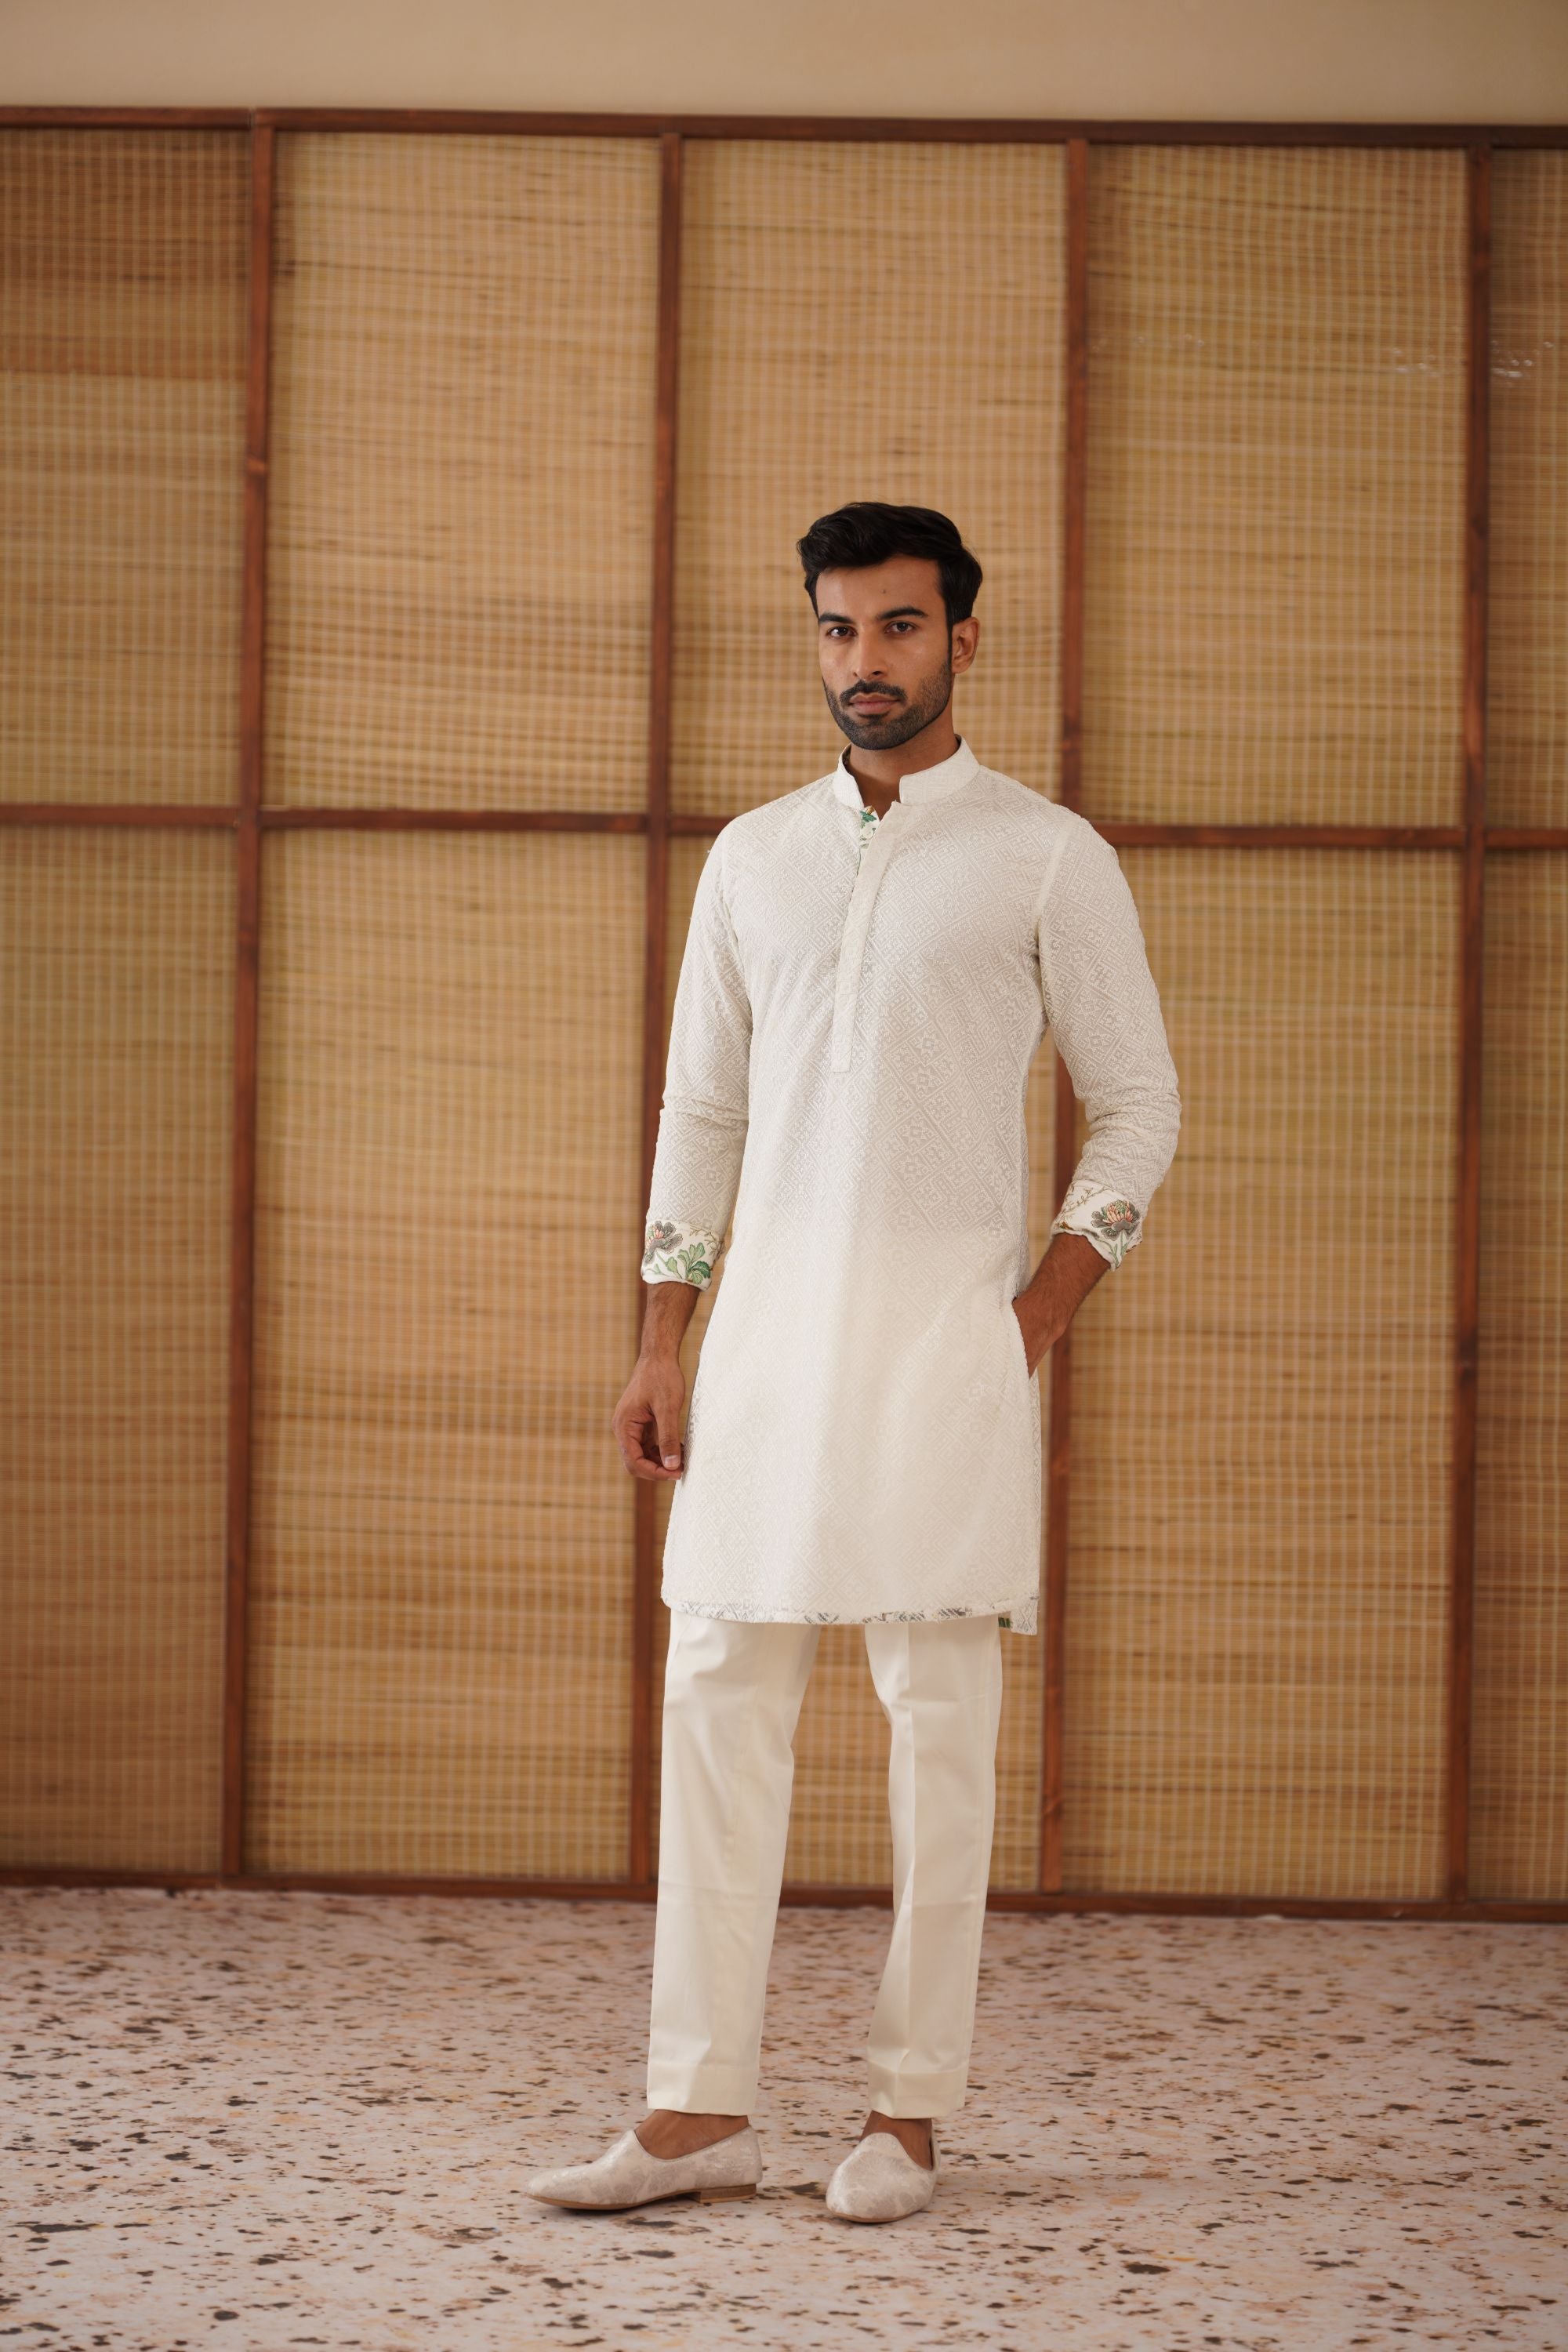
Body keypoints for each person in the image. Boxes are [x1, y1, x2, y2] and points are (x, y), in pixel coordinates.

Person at [528, 502, 1181, 2224]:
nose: (864, 661)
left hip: (943, 1357)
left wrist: (1033, 1317)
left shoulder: (1046, 856)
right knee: (715, 1705)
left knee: (938, 1729)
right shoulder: (752, 859)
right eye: (837, 629)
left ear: (963, 638)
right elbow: (701, 1111)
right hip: (758, 1355)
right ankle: (695, 2111)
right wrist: (662, 1338)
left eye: (897, 627)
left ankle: (908, 2114)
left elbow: (1138, 1107)